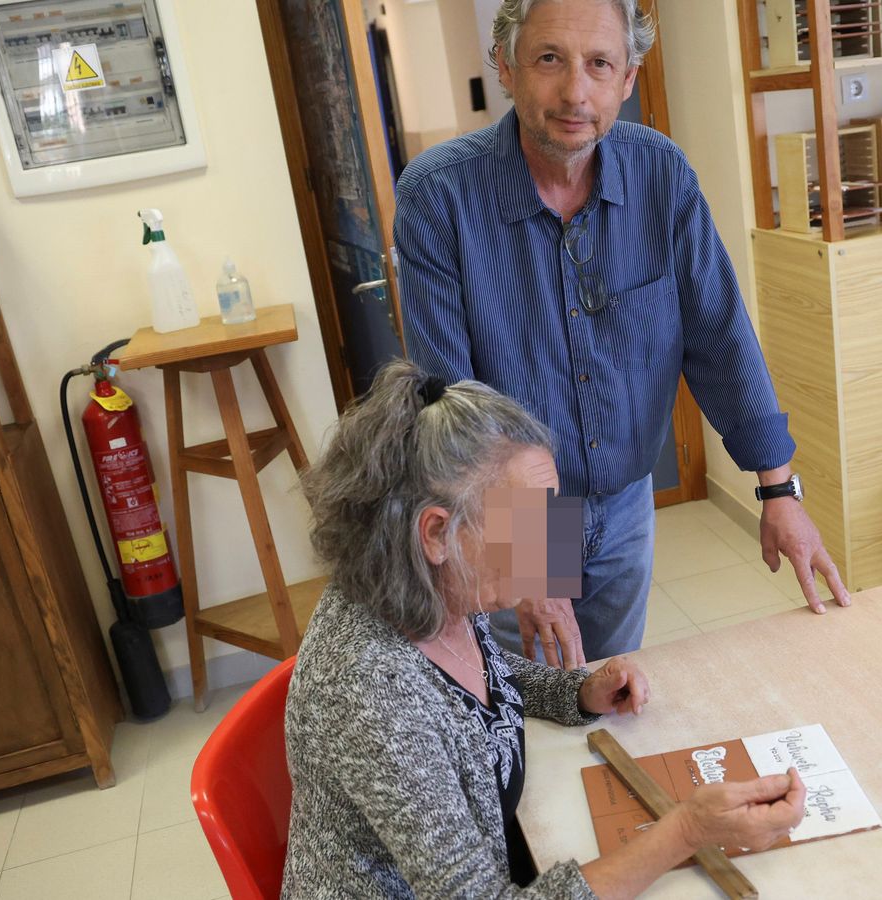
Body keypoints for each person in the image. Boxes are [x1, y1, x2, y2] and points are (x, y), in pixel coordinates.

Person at [394, 0, 851, 669]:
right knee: (524, 704)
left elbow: (721, 338)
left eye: (600, 64)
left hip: (625, 506)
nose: (575, 92)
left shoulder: (661, 176)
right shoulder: (440, 195)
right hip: (507, 517)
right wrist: (530, 562)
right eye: (549, 59)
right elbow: (450, 400)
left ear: (629, 77)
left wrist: (779, 491)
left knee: (608, 691)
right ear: (506, 66)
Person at [283, 359, 806, 898]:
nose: (553, 548)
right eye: (530, 522)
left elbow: (474, 680)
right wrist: (687, 831)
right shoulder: (372, 689)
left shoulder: (434, 586)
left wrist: (575, 692)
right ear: (436, 533)